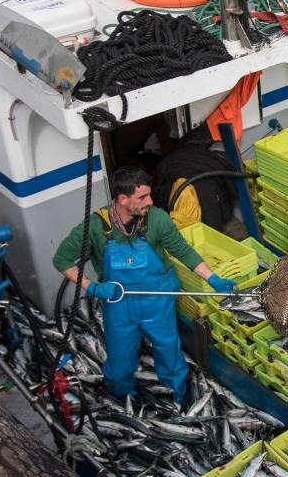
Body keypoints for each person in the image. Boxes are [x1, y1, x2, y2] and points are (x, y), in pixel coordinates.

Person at [51, 166, 237, 404]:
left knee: (169, 352)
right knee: (120, 362)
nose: (150, 201)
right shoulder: (96, 226)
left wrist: (212, 278)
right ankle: (122, 398)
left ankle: (179, 395)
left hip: (157, 299)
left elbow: (182, 251)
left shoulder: (157, 219)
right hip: (119, 304)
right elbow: (62, 260)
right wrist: (91, 287)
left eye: (149, 195)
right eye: (142, 197)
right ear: (122, 199)